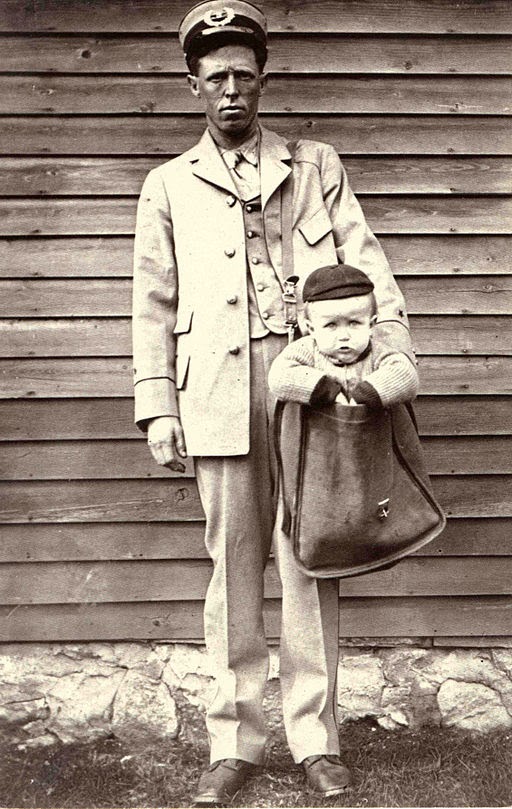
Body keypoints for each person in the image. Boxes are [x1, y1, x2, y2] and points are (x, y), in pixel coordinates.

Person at [132, 1, 416, 803]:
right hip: (215, 394)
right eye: (216, 78)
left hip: (312, 394)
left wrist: (385, 366)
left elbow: (369, 268)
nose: (232, 92)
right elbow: (152, 301)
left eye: (244, 78)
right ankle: (233, 741)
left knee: (310, 559)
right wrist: (158, 405)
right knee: (232, 571)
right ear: (193, 85)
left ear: (264, 82)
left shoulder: (315, 166)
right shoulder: (167, 186)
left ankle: (316, 739)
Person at [268, 263, 419, 410]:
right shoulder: (305, 350)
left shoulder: (379, 353)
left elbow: (406, 375)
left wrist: (366, 395)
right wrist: (325, 391)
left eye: (354, 323)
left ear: (371, 325)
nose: (344, 336)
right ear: (311, 329)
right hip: (319, 431)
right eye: (331, 325)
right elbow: (279, 377)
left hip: (370, 432)